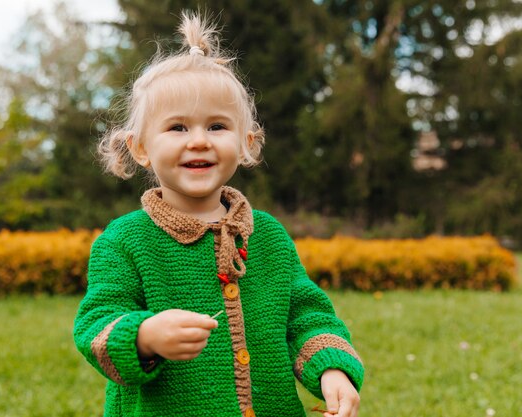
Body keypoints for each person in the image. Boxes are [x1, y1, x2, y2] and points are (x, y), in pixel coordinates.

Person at [73, 11, 364, 417]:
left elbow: (306, 315)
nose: (198, 142)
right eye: (177, 128)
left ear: (246, 144)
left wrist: (331, 369)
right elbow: (95, 326)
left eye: (216, 126)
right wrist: (144, 335)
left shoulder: (268, 236)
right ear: (140, 147)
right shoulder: (124, 241)